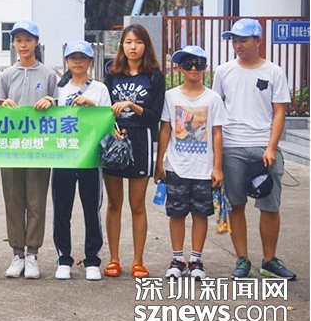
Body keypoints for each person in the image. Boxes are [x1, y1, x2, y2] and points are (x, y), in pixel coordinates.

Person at [212, 18, 296, 279]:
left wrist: (271, 147)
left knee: (269, 205)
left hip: (263, 147)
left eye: (243, 40)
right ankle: (242, 260)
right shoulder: (223, 71)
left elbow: (279, 112)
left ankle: (269, 260)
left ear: (258, 41)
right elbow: (216, 110)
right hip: (232, 146)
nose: (238, 45)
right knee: (236, 204)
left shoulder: (274, 72)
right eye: (234, 40)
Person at [155, 45, 225, 280]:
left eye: (199, 64)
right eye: (188, 64)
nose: (193, 68)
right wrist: (159, 163)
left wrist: (217, 167)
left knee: (200, 214)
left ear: (206, 67)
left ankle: (196, 260)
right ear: (179, 68)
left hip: (204, 169)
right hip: (177, 167)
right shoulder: (171, 96)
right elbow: (165, 130)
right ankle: (177, 259)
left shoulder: (213, 98)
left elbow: (217, 133)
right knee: (176, 214)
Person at [103, 24, 164, 279]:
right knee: (114, 203)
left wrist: (132, 105)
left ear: (145, 46)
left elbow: (155, 116)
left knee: (137, 204)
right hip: (115, 139)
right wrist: (111, 126)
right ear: (122, 45)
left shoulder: (154, 76)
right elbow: (103, 108)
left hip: (141, 140)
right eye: (128, 42)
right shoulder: (112, 73)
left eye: (138, 42)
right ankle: (114, 259)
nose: (133, 47)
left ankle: (138, 261)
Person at [0, 20, 57, 280]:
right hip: (11, 146)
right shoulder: (5, 75)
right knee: (13, 201)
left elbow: (61, 109)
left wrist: (51, 100)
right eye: (19, 40)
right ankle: (17, 254)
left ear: (36, 43)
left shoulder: (49, 75)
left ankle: (32, 253)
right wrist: (2, 105)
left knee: (36, 201)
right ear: (13, 43)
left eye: (28, 40)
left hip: (40, 147)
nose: (23, 45)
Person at [47, 41, 111, 281]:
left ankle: (92, 259)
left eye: (82, 58)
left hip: (90, 157)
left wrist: (91, 106)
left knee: (91, 210)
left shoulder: (99, 89)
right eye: (73, 57)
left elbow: (108, 120)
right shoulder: (58, 88)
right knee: (62, 210)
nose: (77, 62)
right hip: (63, 156)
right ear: (66, 61)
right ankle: (64, 258)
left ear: (90, 62)